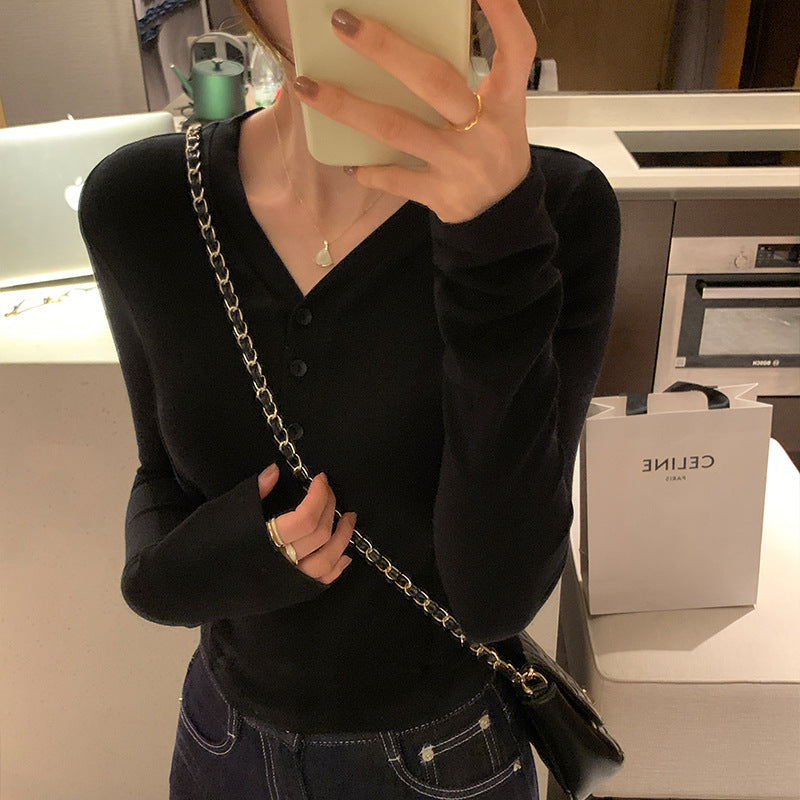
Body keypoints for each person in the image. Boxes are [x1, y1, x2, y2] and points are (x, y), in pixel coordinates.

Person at [78, 0, 620, 797]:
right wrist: (222, 565)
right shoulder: (143, 201)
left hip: (445, 760)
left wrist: (492, 245)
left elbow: (496, 598)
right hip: (221, 744)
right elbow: (162, 480)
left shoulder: (557, 209)